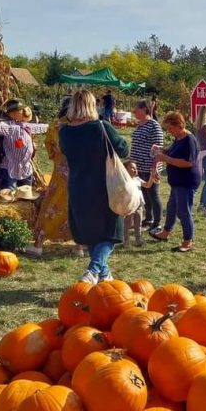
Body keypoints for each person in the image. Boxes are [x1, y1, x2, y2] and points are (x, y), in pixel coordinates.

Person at [59, 90, 129, 283]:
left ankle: (105, 277)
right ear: (92, 106)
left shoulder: (64, 132)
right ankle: (93, 271)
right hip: (103, 189)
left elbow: (65, 152)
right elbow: (123, 149)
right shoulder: (101, 127)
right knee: (110, 233)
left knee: (91, 234)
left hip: (78, 189)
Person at [27, 97, 79, 257]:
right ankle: (80, 246)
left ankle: (38, 244)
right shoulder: (82, 125)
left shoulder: (56, 126)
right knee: (77, 207)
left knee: (51, 205)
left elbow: (49, 144)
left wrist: (56, 157)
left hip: (60, 173)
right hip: (79, 172)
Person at [149, 111, 200, 253]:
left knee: (184, 211)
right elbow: (172, 152)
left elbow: (188, 162)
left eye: (170, 128)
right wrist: (161, 150)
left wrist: (166, 159)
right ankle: (166, 232)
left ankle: (188, 241)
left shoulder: (189, 140)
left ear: (178, 125)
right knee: (171, 207)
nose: (169, 131)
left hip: (186, 182)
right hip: (177, 182)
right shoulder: (178, 138)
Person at [0, 99, 48, 191]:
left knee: (26, 191)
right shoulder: (11, 127)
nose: (23, 113)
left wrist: (50, 127)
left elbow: (39, 127)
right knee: (10, 191)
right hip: (11, 166)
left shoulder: (27, 126)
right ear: (12, 114)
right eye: (19, 111)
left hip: (25, 166)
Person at [130, 99, 165, 233]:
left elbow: (158, 149)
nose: (134, 111)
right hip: (139, 167)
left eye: (136, 108)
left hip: (150, 167)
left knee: (153, 194)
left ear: (145, 109)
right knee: (144, 194)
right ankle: (148, 218)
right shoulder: (140, 125)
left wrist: (154, 168)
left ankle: (157, 223)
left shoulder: (154, 126)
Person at [120, 160, 158, 248]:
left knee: (138, 223)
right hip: (129, 206)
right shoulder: (124, 181)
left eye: (136, 168)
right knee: (127, 224)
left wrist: (152, 176)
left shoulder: (137, 179)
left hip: (139, 206)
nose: (135, 170)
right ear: (125, 170)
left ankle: (138, 239)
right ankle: (126, 240)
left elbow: (147, 185)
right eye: (132, 168)